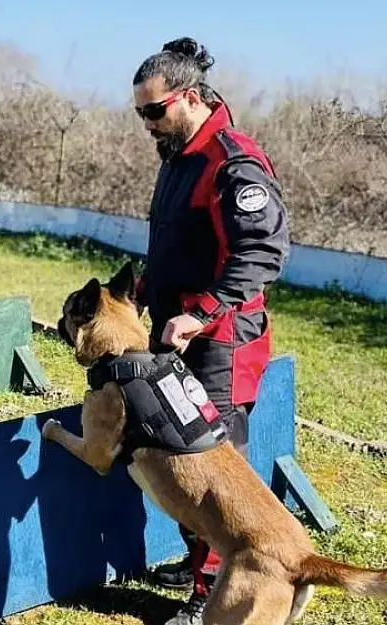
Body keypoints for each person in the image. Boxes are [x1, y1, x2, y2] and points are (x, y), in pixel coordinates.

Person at [130, 36, 291, 625]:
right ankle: (199, 560)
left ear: (190, 97)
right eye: (140, 113)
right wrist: (150, 288)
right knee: (178, 455)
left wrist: (200, 312)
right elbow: (182, 241)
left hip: (220, 343)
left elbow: (263, 251)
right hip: (176, 335)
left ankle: (213, 591)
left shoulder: (232, 161)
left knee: (212, 469)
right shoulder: (179, 156)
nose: (147, 123)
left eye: (155, 110)